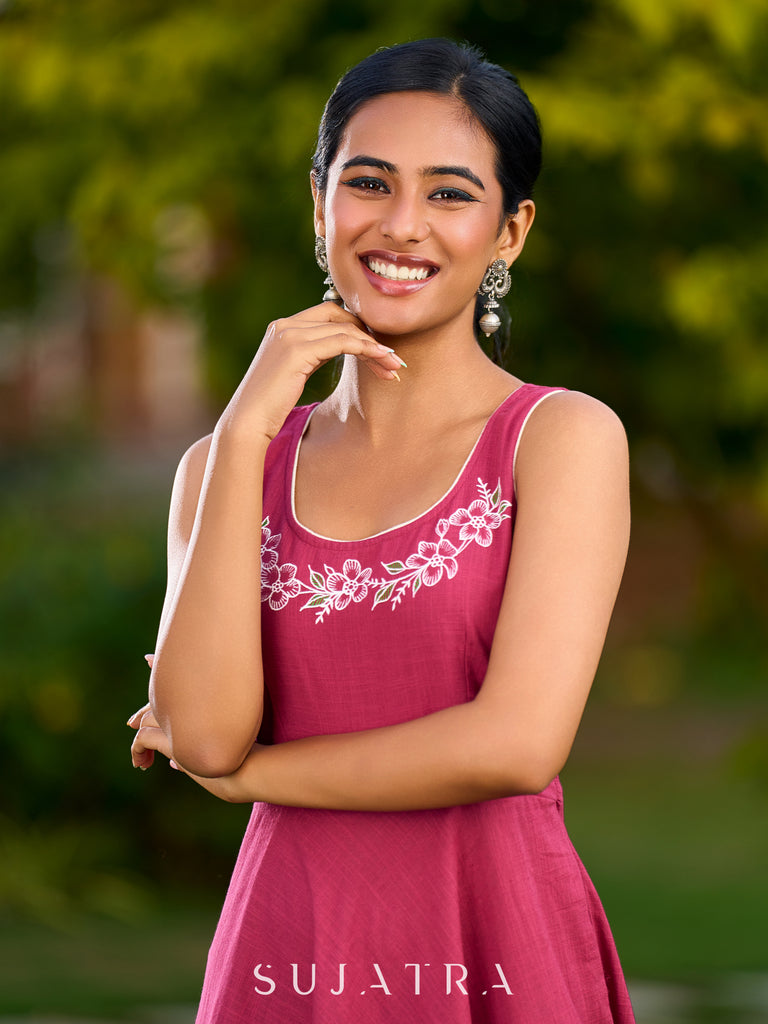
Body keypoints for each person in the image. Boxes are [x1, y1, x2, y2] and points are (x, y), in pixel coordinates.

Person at [128, 38, 635, 1023]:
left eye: (449, 193)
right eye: (368, 183)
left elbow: (517, 743)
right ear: (320, 205)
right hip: (290, 943)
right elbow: (207, 730)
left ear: (510, 231)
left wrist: (254, 778)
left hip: (496, 936)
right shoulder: (224, 465)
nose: (403, 224)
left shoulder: (559, 439)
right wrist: (243, 430)